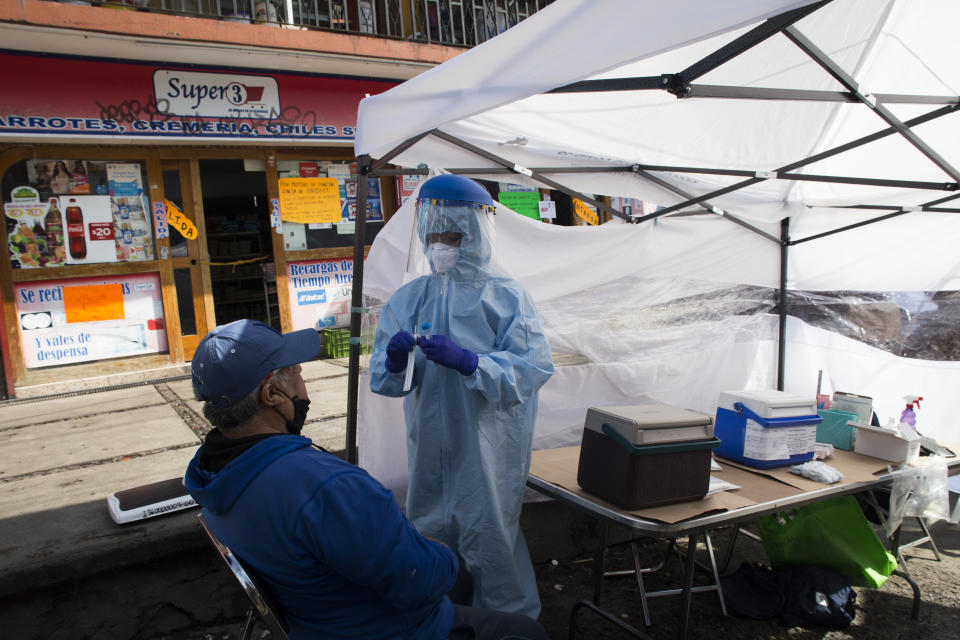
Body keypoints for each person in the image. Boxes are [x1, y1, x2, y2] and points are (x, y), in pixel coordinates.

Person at [183, 319, 547, 640]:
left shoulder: (212, 474)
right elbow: (418, 579)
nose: (303, 380)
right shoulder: (325, 486)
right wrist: (440, 553)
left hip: (318, 620)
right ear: (272, 395)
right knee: (523, 629)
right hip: (384, 628)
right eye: (296, 371)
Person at [370, 175, 555, 618]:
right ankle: (436, 622)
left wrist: (475, 364)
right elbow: (384, 377)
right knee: (428, 539)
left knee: (491, 539)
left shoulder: (508, 297)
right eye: (432, 237)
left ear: (473, 235)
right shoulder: (410, 298)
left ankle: (511, 625)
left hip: (486, 448)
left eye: (450, 237)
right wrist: (395, 362)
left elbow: (532, 368)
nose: (440, 246)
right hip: (430, 447)